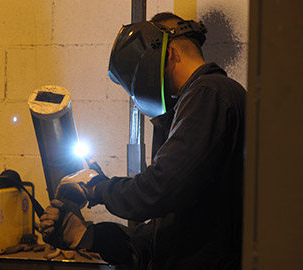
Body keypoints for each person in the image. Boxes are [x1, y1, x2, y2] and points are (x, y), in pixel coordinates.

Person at [39, 12, 246, 270]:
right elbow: (156, 241)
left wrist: (97, 187)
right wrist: (87, 236)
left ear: (168, 53)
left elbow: (158, 190)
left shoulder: (209, 92)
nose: (137, 98)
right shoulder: (198, 102)